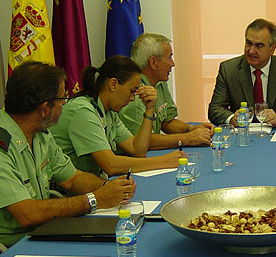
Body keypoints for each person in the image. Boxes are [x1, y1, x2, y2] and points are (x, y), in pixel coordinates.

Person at [0, 61, 135, 249]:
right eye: (62, 99)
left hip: (42, 232)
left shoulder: (39, 132)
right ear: (45, 108)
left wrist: (109, 188)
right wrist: (95, 199)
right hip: (7, 250)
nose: (65, 104)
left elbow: (72, 178)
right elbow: (27, 214)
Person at [51, 56, 184, 178]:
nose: (133, 98)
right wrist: (163, 161)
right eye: (132, 91)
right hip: (72, 190)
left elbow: (137, 149)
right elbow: (111, 165)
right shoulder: (82, 111)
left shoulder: (109, 112)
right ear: (113, 84)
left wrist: (149, 110)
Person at [118, 33, 214, 149]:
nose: (173, 64)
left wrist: (190, 128)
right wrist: (187, 138)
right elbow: (142, 142)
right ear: (153, 62)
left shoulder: (159, 82)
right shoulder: (135, 94)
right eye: (169, 57)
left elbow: (166, 122)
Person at [207, 18, 276, 127]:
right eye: (248, 43)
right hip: (242, 133)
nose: (251, 50)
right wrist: (231, 119)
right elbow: (215, 109)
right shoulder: (228, 70)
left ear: (272, 48)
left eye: (259, 46)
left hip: (275, 133)